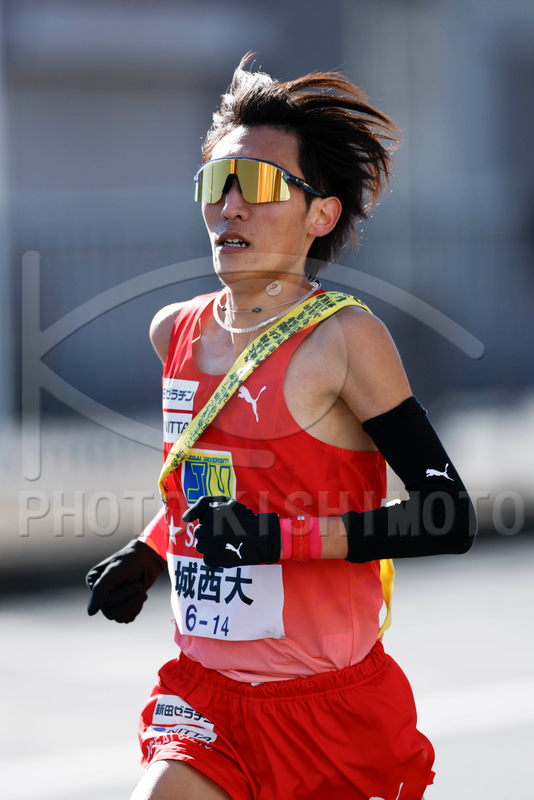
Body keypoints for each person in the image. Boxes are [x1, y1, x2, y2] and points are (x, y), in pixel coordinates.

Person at [86, 54, 476, 800]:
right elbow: (206, 489)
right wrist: (151, 549)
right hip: (206, 700)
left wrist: (274, 540)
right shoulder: (174, 332)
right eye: (216, 182)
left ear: (320, 215)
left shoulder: (344, 340)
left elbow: (447, 515)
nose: (229, 206)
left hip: (330, 712)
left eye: (259, 184)